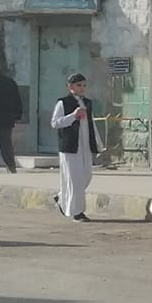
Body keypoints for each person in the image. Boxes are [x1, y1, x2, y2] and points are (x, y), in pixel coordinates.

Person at [50, 72, 99, 221]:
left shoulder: (87, 103)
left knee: (86, 176)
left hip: (85, 145)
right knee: (75, 179)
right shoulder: (63, 103)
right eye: (79, 85)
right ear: (70, 87)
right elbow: (55, 123)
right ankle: (77, 212)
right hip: (70, 146)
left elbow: (91, 124)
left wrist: (97, 143)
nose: (82, 88)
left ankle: (61, 197)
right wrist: (73, 115)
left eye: (84, 85)